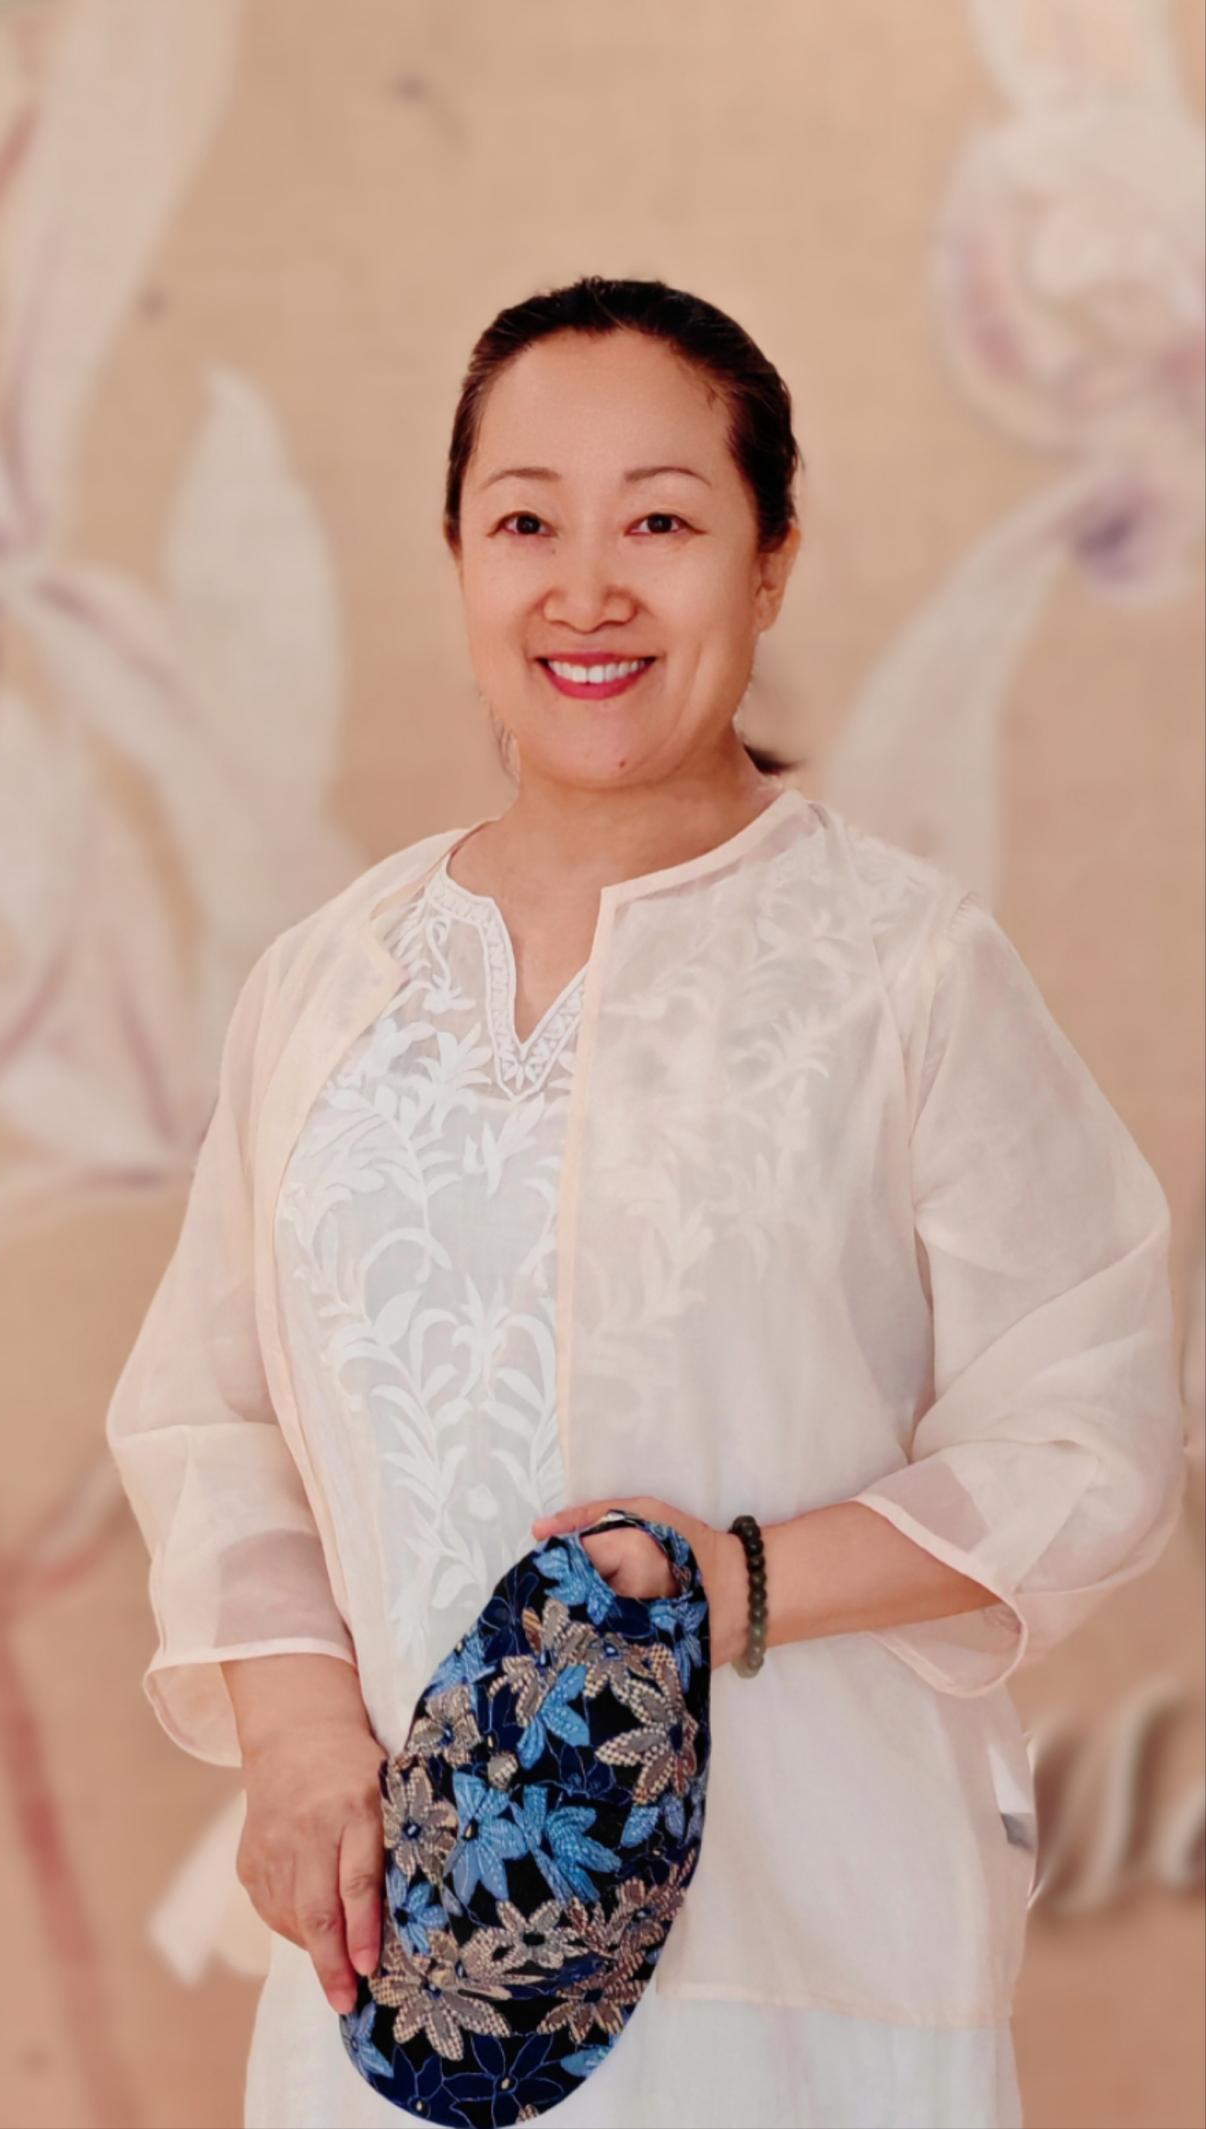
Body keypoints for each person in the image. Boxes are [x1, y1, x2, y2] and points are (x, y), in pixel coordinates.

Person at [104, 276, 1187, 2129]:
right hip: (407, 1965)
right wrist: (292, 1734)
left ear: (770, 563)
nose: (586, 589)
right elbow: (211, 1419)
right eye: (526, 521)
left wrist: (730, 1579)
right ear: (457, 558)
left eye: (663, 523)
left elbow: (1088, 1431)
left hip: (806, 1956)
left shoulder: (901, 969)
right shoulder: (328, 981)